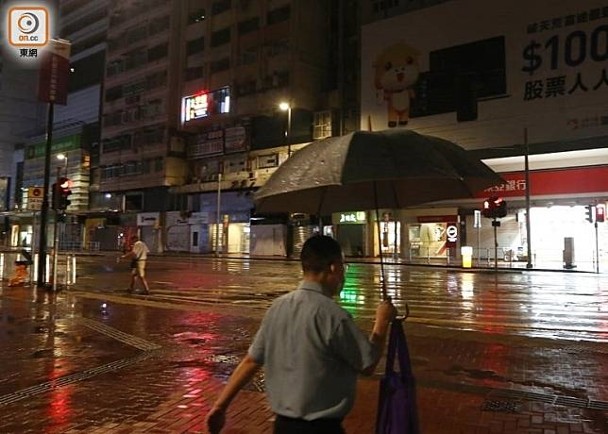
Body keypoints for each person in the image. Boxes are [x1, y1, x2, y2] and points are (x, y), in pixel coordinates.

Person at [205, 235, 397, 434]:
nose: (344, 275)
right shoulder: (335, 317)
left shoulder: (277, 307)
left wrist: (220, 406)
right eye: (344, 267)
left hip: (282, 427)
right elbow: (367, 363)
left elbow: (251, 361)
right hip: (322, 429)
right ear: (333, 267)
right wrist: (382, 321)